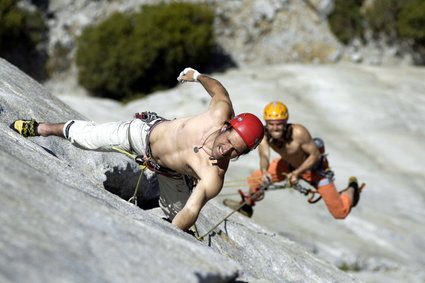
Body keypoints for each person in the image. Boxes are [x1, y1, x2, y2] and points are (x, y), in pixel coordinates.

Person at [10, 67, 265, 231]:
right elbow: (219, 90)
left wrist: (173, 236)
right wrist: (197, 77)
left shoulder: (213, 176)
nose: (226, 151)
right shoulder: (219, 112)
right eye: (229, 142)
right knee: (86, 138)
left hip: (171, 173)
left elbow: (190, 210)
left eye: (236, 152)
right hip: (143, 133)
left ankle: (165, 201)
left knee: (176, 214)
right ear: (228, 126)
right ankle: (41, 128)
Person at [226, 101, 363, 219]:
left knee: (340, 212)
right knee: (257, 178)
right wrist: (264, 171)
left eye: (278, 124)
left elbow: (314, 155)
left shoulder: (298, 132)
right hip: (288, 165)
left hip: (316, 170)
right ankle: (247, 207)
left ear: (285, 122)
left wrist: (297, 173)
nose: (275, 128)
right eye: (271, 124)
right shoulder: (265, 135)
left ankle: (351, 189)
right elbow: (264, 156)